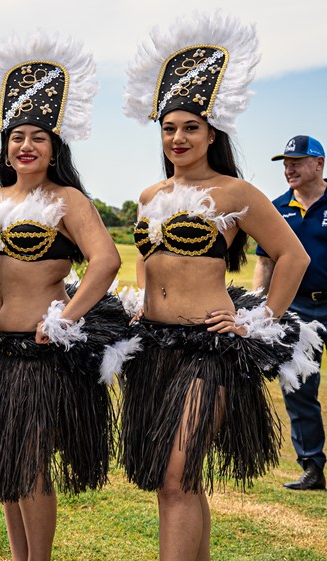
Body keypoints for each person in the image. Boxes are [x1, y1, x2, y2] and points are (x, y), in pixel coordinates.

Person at [121, 13, 322, 561]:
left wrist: (257, 321)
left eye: (190, 127)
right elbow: (147, 258)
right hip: (152, 348)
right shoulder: (149, 193)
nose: (178, 138)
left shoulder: (235, 192)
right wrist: (140, 301)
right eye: (169, 128)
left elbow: (292, 256)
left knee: (175, 477)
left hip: (207, 349)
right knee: (177, 481)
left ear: (212, 133)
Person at [0, 32, 125, 561]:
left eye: (38, 137)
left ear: (55, 147)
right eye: (16, 136)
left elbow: (107, 261)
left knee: (29, 465)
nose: (25, 146)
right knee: (5, 468)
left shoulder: (67, 199)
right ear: (4, 144)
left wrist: (66, 319)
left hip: (39, 354)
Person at [253, 135, 327, 490]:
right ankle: (312, 467)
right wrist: (257, 304)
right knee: (299, 387)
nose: (289, 168)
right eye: (285, 162)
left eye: (297, 161)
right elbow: (265, 263)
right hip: (297, 307)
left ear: (319, 164)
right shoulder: (277, 207)